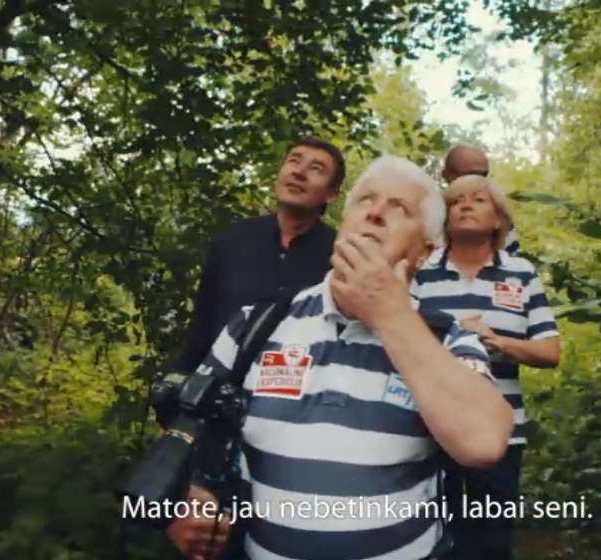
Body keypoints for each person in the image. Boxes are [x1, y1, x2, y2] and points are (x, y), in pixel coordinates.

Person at [164, 155, 514, 560]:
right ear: (342, 227)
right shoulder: (255, 325)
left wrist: (388, 313)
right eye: (366, 200)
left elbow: (483, 443)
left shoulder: (448, 339)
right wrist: (182, 501)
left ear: (424, 253)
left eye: (399, 208)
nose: (376, 213)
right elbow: (184, 427)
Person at [412, 174, 561, 560]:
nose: (464, 205)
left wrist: (499, 343)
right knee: (432, 536)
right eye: (455, 201)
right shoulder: (421, 270)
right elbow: (398, 338)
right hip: (428, 428)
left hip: (500, 435)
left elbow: (550, 352)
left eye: (477, 199)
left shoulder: (521, 273)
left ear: (498, 219)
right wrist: (451, 339)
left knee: (492, 541)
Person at [177, 137, 345, 375]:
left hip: (295, 388)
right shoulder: (231, 241)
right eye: (294, 161)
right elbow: (201, 326)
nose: (299, 172)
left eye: (316, 168)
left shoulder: (339, 257)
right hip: (218, 382)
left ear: (331, 194)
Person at [441, 143, 521, 256]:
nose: (477, 181)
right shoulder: (426, 214)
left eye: (483, 175)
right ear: (447, 176)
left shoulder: (497, 214)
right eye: (470, 175)